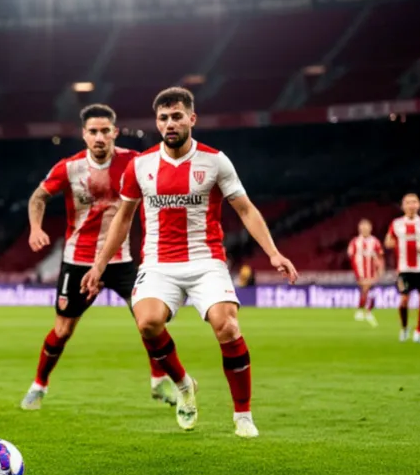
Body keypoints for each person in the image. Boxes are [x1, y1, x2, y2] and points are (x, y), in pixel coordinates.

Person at [80, 87, 298, 439]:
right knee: (147, 322)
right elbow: (122, 220)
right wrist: (99, 265)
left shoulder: (215, 161)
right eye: (164, 117)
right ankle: (183, 385)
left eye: (177, 116)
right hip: (158, 263)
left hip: (205, 260)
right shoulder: (141, 165)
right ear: (157, 122)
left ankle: (243, 415)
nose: (170, 123)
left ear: (191, 119)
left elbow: (245, 209)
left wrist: (273, 252)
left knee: (226, 326)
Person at [20, 104, 177, 411]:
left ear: (115, 132)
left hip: (121, 261)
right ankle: (39, 385)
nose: (100, 137)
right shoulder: (69, 167)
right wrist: (35, 228)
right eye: (93, 131)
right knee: (63, 330)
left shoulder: (134, 161)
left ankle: (159, 382)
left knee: (149, 322)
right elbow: (38, 196)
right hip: (78, 261)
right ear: (84, 135)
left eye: (106, 131)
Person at [385, 194, 420, 344]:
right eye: (407, 202)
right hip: (404, 270)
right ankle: (404, 328)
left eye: (414, 202)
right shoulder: (396, 224)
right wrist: (390, 243)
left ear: (419, 205)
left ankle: (418, 332)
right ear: (403, 206)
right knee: (403, 300)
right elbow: (388, 240)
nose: (411, 205)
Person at [347, 219, 384, 327]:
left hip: (372, 271)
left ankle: (367, 311)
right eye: (362, 227)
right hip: (360, 271)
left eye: (366, 227)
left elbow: (380, 257)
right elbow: (350, 256)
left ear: (370, 228)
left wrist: (380, 269)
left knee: (370, 291)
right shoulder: (355, 242)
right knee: (366, 288)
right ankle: (360, 310)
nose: (364, 229)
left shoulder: (375, 242)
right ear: (359, 229)